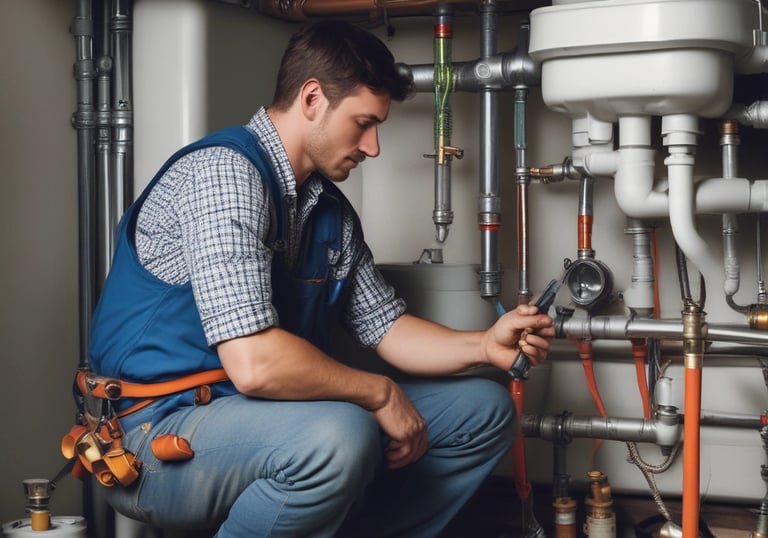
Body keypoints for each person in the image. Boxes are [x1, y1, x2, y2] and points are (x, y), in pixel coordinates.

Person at [85, 19, 554, 537]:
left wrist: (485, 344)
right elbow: (256, 365)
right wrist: (377, 394)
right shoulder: (224, 174)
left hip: (262, 418)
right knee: (339, 433)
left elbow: (387, 328)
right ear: (313, 99)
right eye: (362, 122)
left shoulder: (328, 211)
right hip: (154, 432)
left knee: (482, 411)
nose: (372, 147)